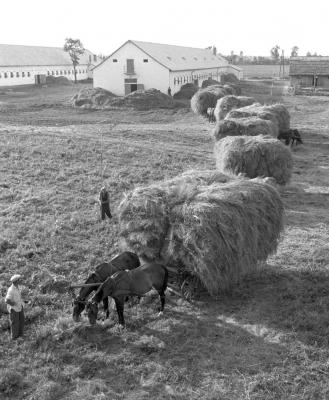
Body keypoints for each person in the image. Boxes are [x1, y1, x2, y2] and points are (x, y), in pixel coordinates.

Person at [5, 274, 25, 340]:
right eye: (19, 279)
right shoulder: (11, 290)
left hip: (20, 307)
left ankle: (20, 335)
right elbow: (7, 300)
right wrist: (14, 304)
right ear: (16, 281)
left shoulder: (17, 287)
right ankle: (14, 337)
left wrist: (23, 302)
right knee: (15, 323)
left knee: (21, 320)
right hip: (14, 309)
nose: (21, 280)